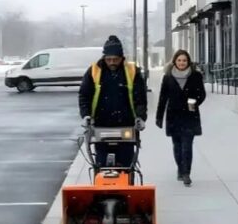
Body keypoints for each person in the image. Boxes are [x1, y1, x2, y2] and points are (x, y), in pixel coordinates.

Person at [78, 35, 147, 169]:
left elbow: (140, 98)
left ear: (122, 58)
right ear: (104, 58)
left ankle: (127, 186)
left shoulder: (132, 71)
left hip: (126, 124)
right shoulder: (94, 71)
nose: (112, 62)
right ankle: (102, 188)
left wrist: (140, 117)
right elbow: (84, 95)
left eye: (115, 59)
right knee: (101, 164)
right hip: (101, 124)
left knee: (126, 164)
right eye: (108, 59)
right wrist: (85, 115)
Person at [155, 49, 206, 186]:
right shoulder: (168, 77)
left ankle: (186, 173)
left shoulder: (196, 76)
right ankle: (180, 168)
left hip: (190, 115)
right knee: (177, 145)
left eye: (184, 60)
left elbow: (202, 94)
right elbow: (163, 98)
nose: (182, 63)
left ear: (188, 61)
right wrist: (159, 117)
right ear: (175, 62)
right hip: (173, 116)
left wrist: (194, 101)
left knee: (187, 145)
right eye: (179, 60)